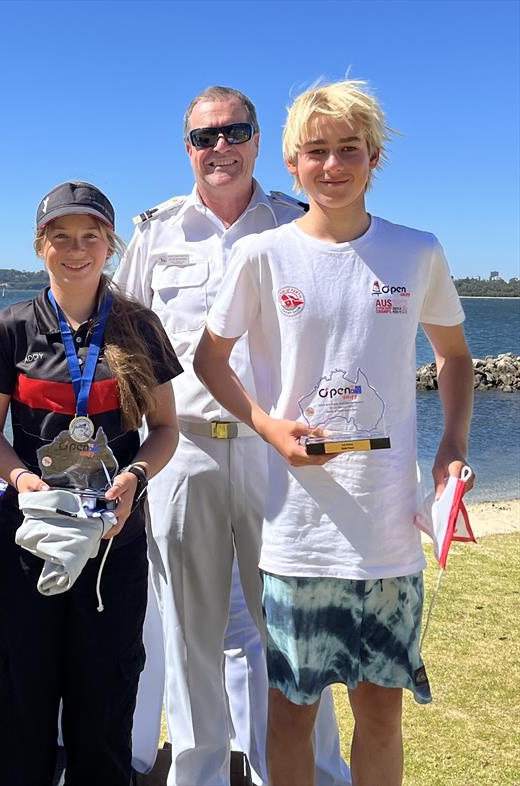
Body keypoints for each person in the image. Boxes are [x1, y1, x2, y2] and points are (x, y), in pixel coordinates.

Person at [195, 80, 475, 786]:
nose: (332, 165)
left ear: (373, 157)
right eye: (316, 151)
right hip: (297, 531)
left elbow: (455, 356)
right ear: (292, 163)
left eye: (348, 149)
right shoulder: (261, 256)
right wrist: (266, 426)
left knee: (381, 712)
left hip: (387, 532)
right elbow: (208, 358)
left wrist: (452, 449)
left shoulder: (417, 252)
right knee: (292, 712)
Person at [115, 85, 349, 786]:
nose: (219, 148)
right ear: (186, 147)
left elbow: (338, 331)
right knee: (191, 637)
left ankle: (310, 774)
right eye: (203, 137)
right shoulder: (156, 231)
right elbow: (126, 343)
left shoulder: (297, 223)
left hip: (275, 453)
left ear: (256, 141)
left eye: (233, 132)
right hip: (183, 448)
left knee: (291, 628)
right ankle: (201, 776)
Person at [0, 181, 181, 786]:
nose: (76, 248)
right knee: (19, 693)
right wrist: (20, 477)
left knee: (105, 696)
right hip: (29, 540)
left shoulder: (141, 327)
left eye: (90, 236)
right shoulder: (11, 326)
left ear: (110, 245)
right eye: (61, 237)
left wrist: (136, 476)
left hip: (113, 539)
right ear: (41, 247)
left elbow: (166, 428)